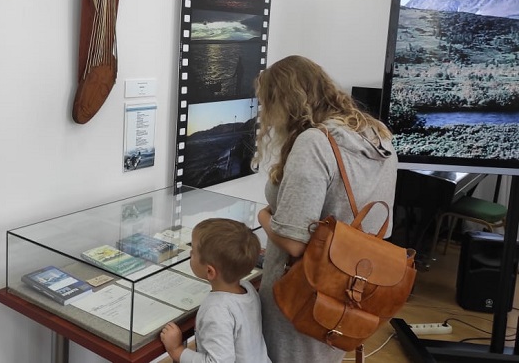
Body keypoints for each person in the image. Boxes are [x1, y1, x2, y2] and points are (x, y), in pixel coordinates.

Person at [254, 55, 397, 363]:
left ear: (285, 102)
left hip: (303, 289)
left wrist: (264, 216)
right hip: (349, 287)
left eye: (266, 104)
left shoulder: (314, 142)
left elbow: (294, 242)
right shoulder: (378, 135)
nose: (265, 115)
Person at [160, 218, 270, 363]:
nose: (190, 253)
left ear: (210, 271)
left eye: (193, 252)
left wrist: (177, 351)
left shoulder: (216, 310)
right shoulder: (247, 288)